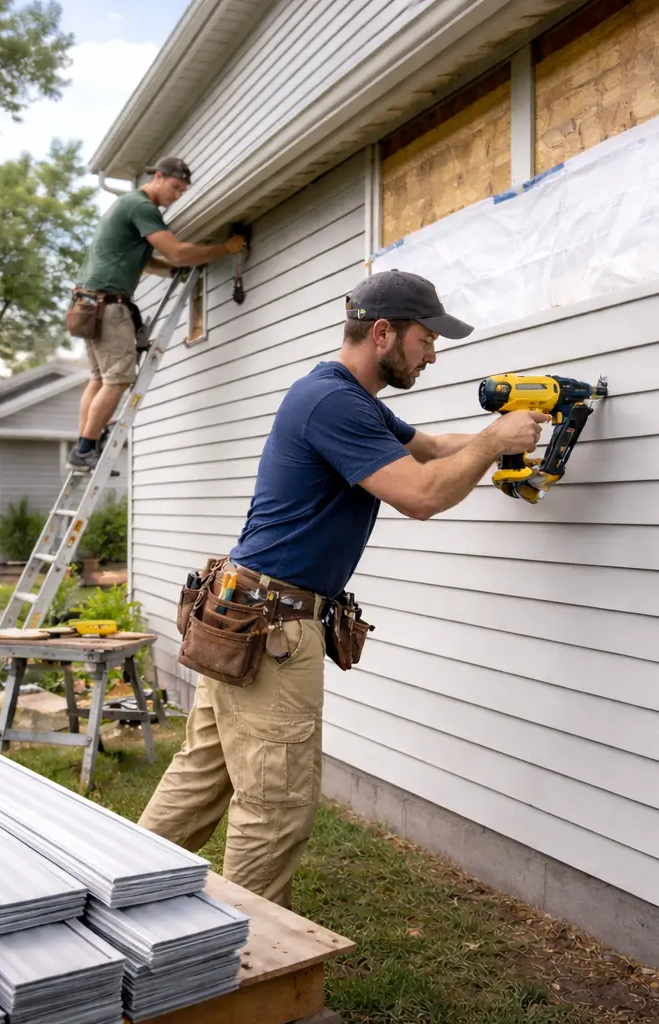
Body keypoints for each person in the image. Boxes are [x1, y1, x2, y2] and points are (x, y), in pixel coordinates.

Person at [137, 269, 550, 908]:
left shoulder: (343, 396)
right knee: (274, 809)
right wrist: (496, 439)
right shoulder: (334, 403)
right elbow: (421, 493)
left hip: (239, 611)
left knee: (202, 777)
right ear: (382, 332)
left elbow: (430, 446)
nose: (434, 353)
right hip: (270, 627)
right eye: (426, 338)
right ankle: (249, 973)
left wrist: (510, 440)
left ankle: (119, 889)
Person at [66, 156, 245, 470]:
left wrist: (172, 272)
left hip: (87, 304)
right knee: (118, 380)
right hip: (109, 307)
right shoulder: (142, 207)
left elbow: (146, 262)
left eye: (182, 191)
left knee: (98, 378)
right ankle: (85, 449)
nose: (177, 196)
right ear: (159, 177)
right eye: (175, 187)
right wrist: (224, 249)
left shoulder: (127, 208)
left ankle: (83, 446)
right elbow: (176, 252)